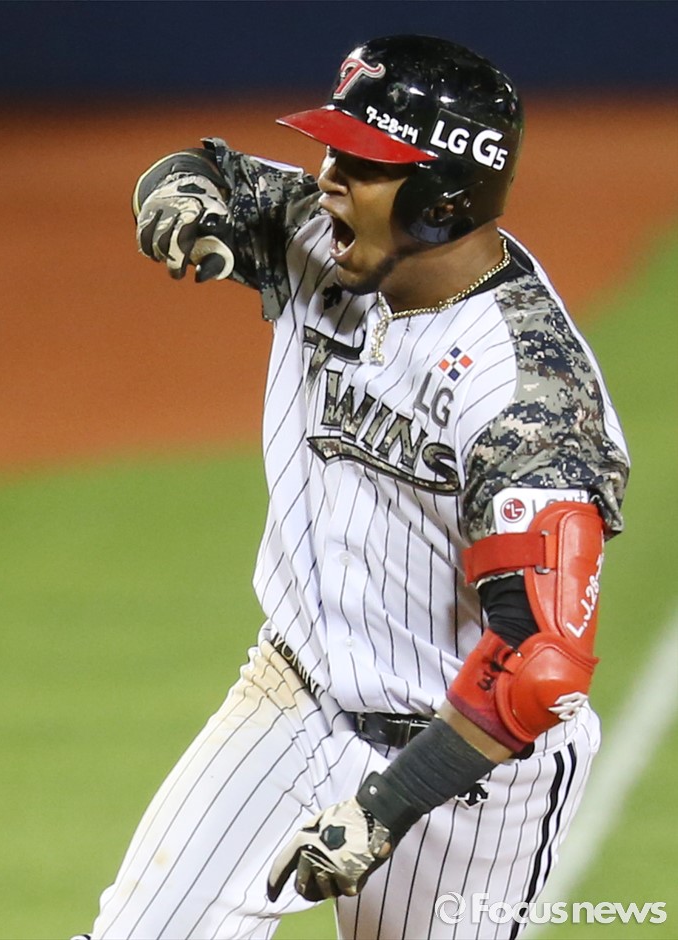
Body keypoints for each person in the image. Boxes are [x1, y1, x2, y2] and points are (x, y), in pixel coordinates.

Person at [82, 34, 630, 940]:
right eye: (333, 151)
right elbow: (203, 172)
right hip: (293, 700)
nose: (329, 179)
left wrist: (387, 807)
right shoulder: (319, 233)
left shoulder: (528, 392)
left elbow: (539, 660)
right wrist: (179, 200)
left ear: (444, 197)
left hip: (471, 770)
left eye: (365, 164)